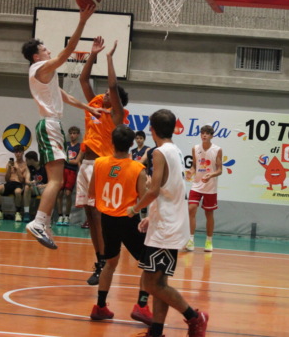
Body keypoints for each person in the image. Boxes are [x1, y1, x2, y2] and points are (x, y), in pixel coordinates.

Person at [22, 5, 99, 249]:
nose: (48, 51)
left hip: (51, 125)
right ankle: (38, 222)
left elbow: (63, 95)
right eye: (44, 49)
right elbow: (66, 53)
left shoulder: (45, 76)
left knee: (56, 180)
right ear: (36, 56)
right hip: (49, 125)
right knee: (56, 181)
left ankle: (44, 223)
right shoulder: (39, 68)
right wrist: (82, 21)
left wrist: (88, 108)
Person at [127, 109, 209, 337]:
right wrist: (151, 217)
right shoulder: (175, 150)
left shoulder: (159, 152)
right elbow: (169, 190)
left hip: (166, 227)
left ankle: (195, 317)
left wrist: (135, 209)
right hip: (166, 221)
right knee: (158, 281)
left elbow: (154, 190)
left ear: (152, 129)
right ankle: (156, 332)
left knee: (152, 284)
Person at [76, 35, 130, 285]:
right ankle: (99, 261)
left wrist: (109, 58)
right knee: (90, 216)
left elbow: (112, 85)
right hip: (85, 165)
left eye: (109, 94)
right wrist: (93, 54)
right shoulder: (95, 106)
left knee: (99, 216)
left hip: (102, 166)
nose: (104, 94)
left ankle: (108, 260)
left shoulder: (117, 115)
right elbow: (83, 79)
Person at [88, 125, 153, 326]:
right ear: (132, 144)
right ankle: (142, 305)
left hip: (107, 219)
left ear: (111, 142)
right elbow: (144, 199)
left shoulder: (99, 163)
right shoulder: (137, 168)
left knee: (110, 263)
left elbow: (92, 192)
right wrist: (149, 186)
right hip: (127, 219)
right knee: (149, 263)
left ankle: (100, 306)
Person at [185, 125, 223, 252]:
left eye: (207, 133)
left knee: (209, 214)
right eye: (202, 133)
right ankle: (190, 240)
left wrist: (211, 175)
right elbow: (194, 166)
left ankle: (209, 241)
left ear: (211, 135)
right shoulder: (195, 148)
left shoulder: (217, 150)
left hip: (210, 187)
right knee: (191, 209)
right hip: (196, 185)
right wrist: (190, 172)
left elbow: (220, 170)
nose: (204, 135)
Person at [0, 145, 30, 222]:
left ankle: (18, 212)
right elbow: (6, 179)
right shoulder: (10, 164)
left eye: (20, 152)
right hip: (9, 183)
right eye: (16, 152)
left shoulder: (25, 165)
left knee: (18, 192)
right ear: (14, 153)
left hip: (18, 184)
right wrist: (9, 169)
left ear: (23, 153)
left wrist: (18, 170)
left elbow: (22, 180)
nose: (18, 154)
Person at [58, 126, 82, 226]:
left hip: (72, 171)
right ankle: (60, 215)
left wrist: (66, 160)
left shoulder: (80, 146)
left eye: (74, 133)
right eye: (71, 133)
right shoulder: (65, 145)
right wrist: (68, 160)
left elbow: (77, 161)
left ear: (78, 134)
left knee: (68, 194)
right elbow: (60, 157)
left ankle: (67, 216)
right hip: (62, 170)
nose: (72, 135)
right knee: (60, 193)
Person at [25, 150, 47, 221]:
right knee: (27, 188)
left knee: (45, 192)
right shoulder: (29, 167)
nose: (26, 161)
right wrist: (31, 182)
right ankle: (26, 213)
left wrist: (43, 186)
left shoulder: (45, 166)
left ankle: (43, 215)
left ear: (31, 160)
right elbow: (27, 180)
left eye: (27, 160)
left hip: (44, 187)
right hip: (35, 187)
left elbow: (51, 182)